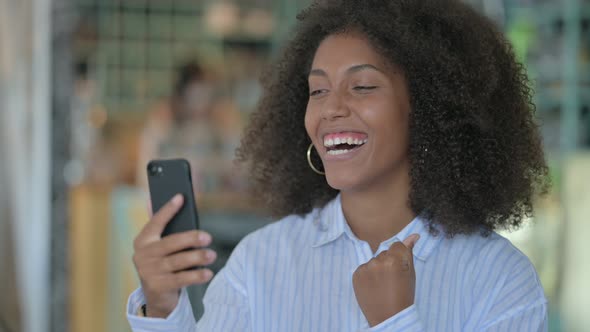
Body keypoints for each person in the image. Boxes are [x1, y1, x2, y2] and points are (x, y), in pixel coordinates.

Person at [127, 0, 550, 331]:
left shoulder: (500, 279)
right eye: (317, 91)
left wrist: (394, 322)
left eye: (362, 86)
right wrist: (162, 308)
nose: (331, 108)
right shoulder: (261, 261)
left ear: (428, 108)